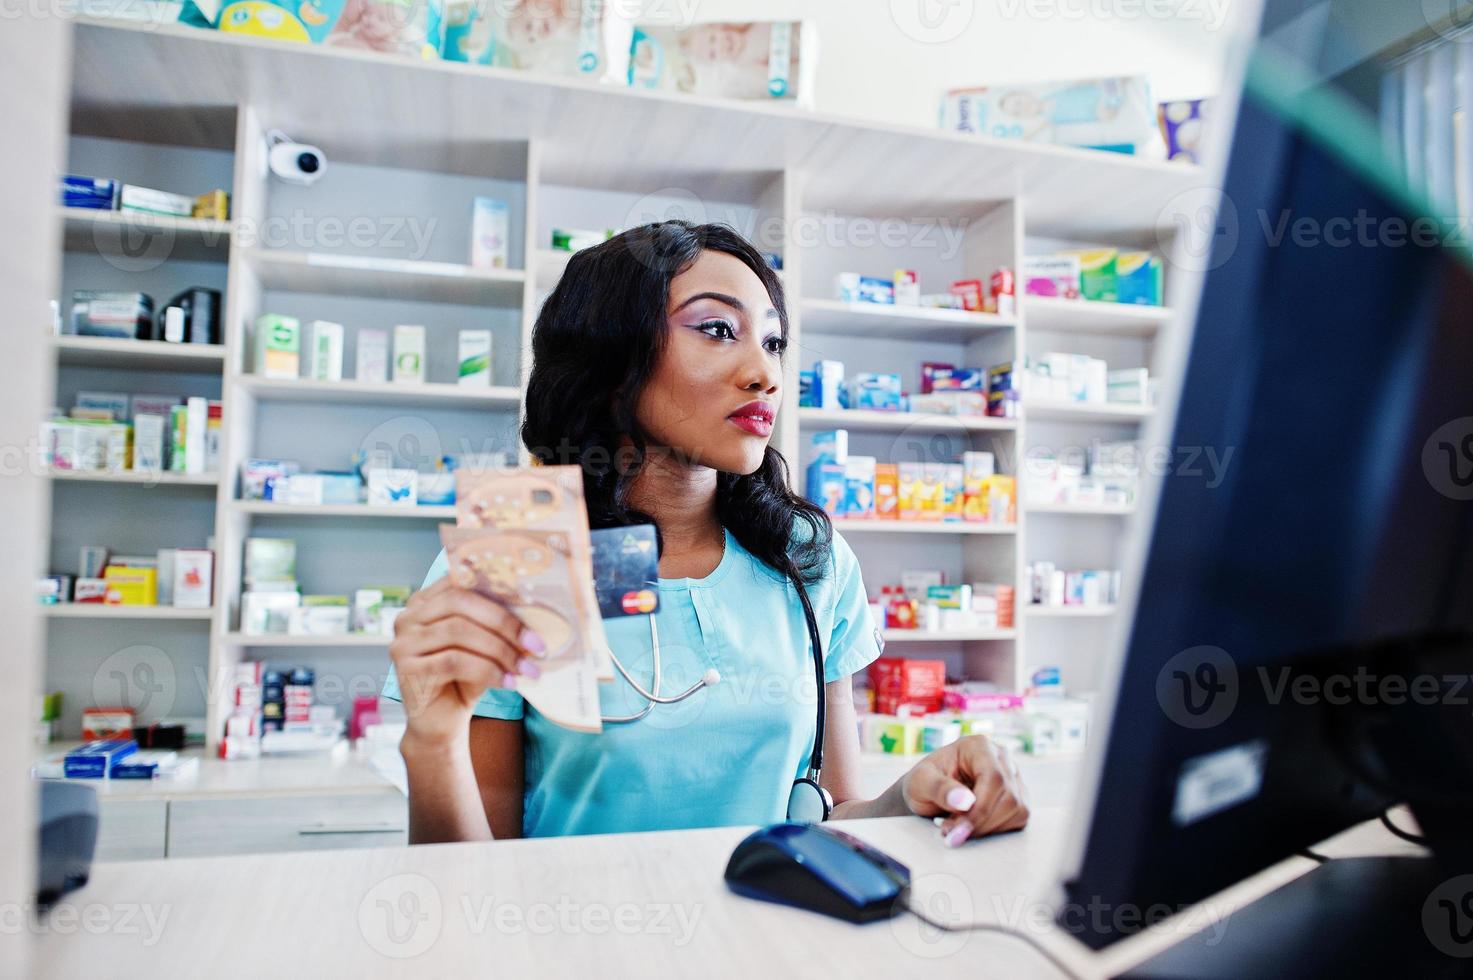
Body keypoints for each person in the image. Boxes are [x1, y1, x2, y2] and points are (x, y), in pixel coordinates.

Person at [383, 221, 1029, 845]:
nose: (765, 374)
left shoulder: (809, 559)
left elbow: (827, 815)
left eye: (773, 343)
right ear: (610, 363)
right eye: (718, 329)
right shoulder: (518, 565)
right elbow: (477, 876)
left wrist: (911, 796)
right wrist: (432, 742)